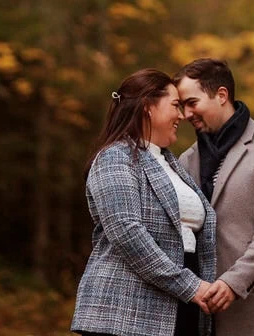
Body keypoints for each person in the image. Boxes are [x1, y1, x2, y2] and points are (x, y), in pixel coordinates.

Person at [72, 68, 217, 336]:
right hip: (124, 313)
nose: (182, 116)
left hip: (180, 307)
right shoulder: (115, 157)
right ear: (148, 106)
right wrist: (190, 285)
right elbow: (127, 232)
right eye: (175, 105)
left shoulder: (171, 163)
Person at [174, 59, 254, 336]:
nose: (185, 114)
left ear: (221, 95)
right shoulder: (186, 160)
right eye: (181, 106)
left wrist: (233, 282)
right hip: (201, 315)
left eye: (192, 102)